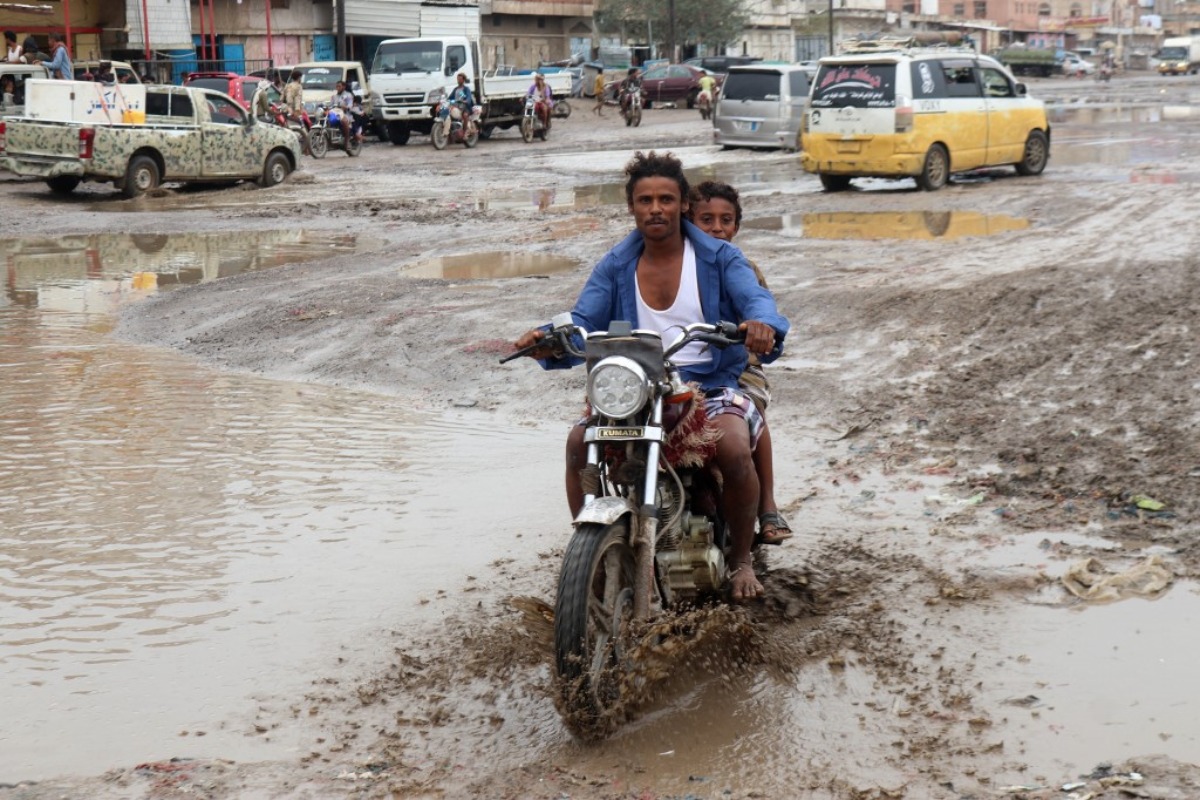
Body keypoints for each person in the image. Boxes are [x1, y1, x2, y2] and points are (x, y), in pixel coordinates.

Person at [512, 151, 790, 601]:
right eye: (645, 200)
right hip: (638, 385)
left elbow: (758, 302)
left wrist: (761, 326)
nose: (655, 208)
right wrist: (548, 337)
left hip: (711, 383)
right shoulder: (616, 265)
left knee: (735, 447)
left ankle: (741, 560)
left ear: (682, 205)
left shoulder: (722, 258)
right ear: (632, 207)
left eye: (665, 199)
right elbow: (583, 318)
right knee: (576, 445)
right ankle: (590, 559)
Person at [688, 181, 791, 545]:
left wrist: (760, 330)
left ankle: (767, 503)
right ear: (688, 221)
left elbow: (761, 306)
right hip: (682, 366)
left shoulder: (743, 267)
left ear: (736, 226)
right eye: (706, 219)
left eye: (726, 220)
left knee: (750, 412)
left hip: (741, 365)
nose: (717, 228)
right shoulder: (675, 263)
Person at [331, 79, 356, 145]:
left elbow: (350, 105)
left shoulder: (348, 95)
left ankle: (347, 140)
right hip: (335, 114)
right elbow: (331, 105)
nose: (338, 88)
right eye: (337, 87)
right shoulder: (334, 96)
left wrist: (345, 107)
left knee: (344, 121)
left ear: (344, 87)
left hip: (345, 114)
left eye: (339, 86)